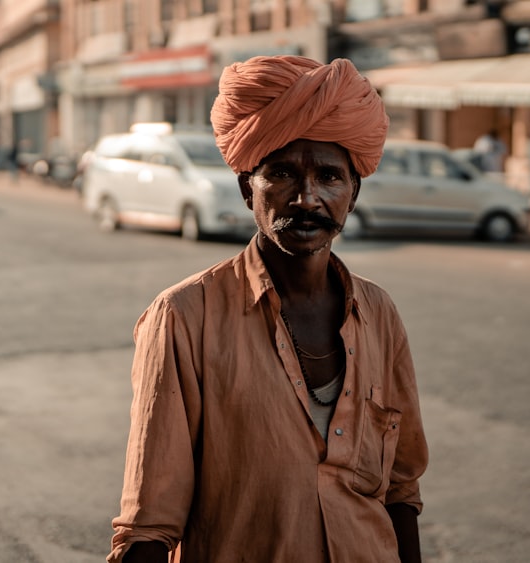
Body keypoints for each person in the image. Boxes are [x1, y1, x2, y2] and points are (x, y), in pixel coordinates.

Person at [108, 56, 429, 563]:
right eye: (281, 174)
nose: (307, 198)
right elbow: (149, 523)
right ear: (246, 189)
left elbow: (401, 493)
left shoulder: (379, 313)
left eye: (329, 177)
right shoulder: (186, 317)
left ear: (354, 192)